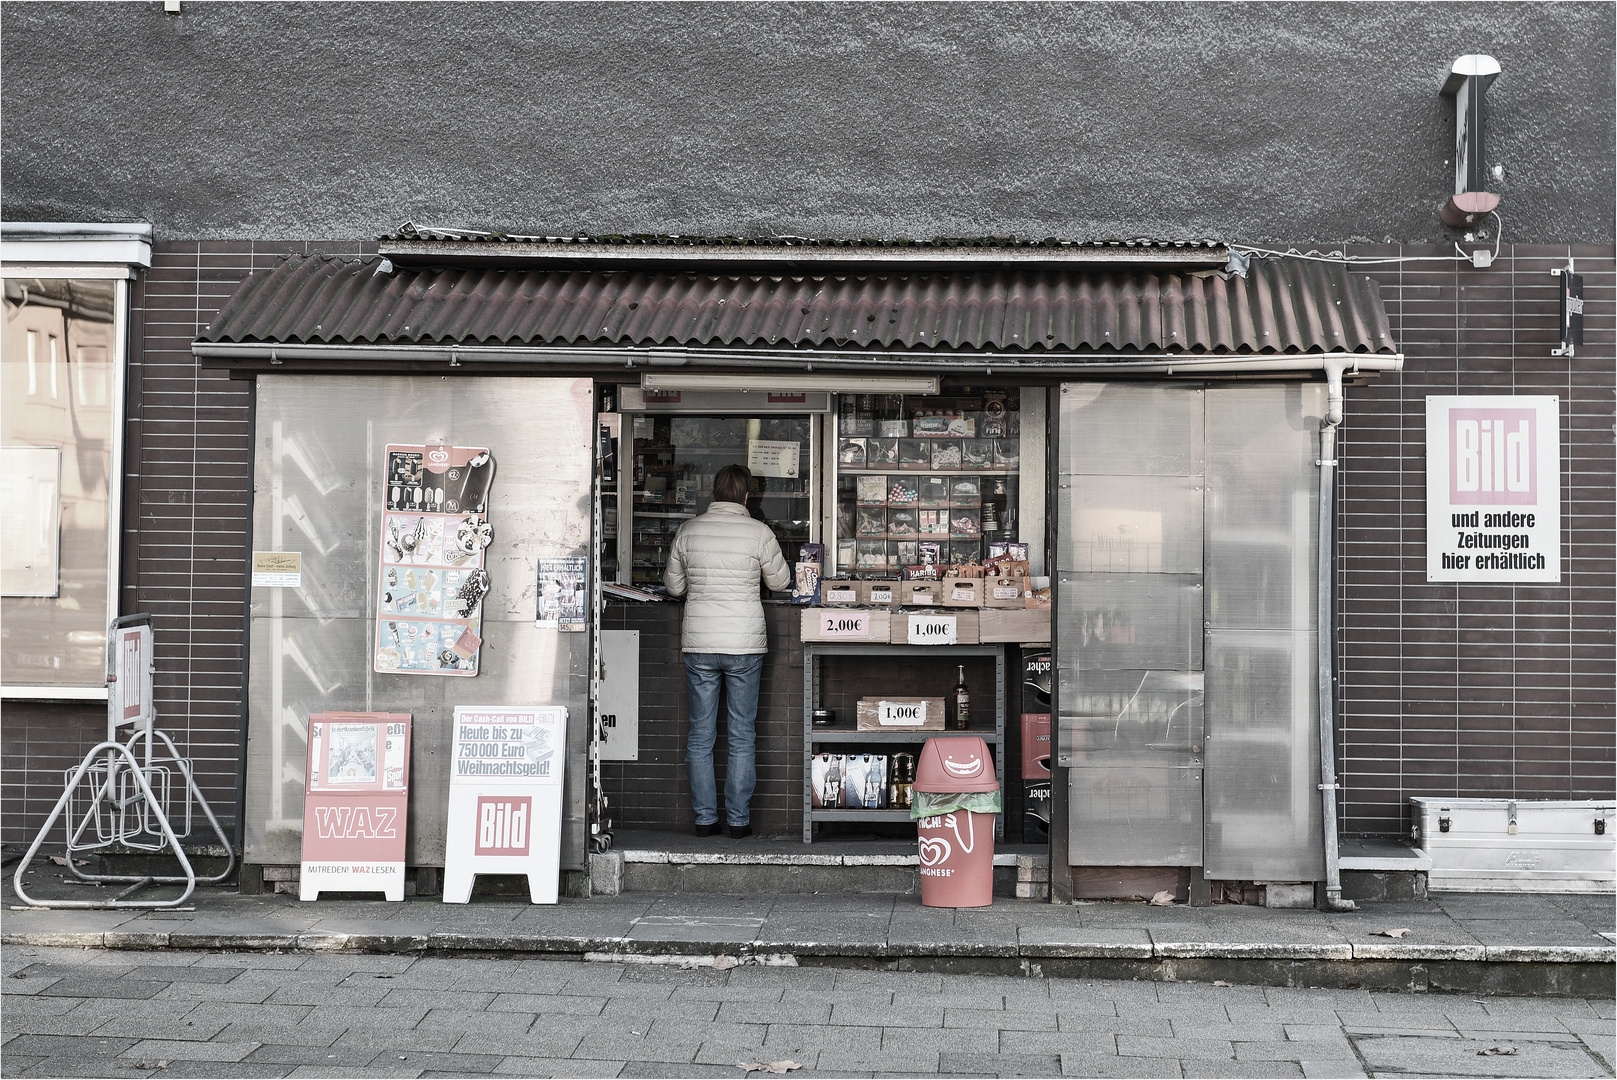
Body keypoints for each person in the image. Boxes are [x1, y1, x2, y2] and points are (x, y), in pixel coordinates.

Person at [663, 464, 791, 838]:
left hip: (700, 643)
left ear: (714, 493)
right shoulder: (759, 533)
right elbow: (780, 582)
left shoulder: (689, 531)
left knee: (701, 736)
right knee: (742, 734)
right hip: (744, 644)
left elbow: (673, 588)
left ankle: (705, 820)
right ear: (748, 495)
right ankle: (738, 821)